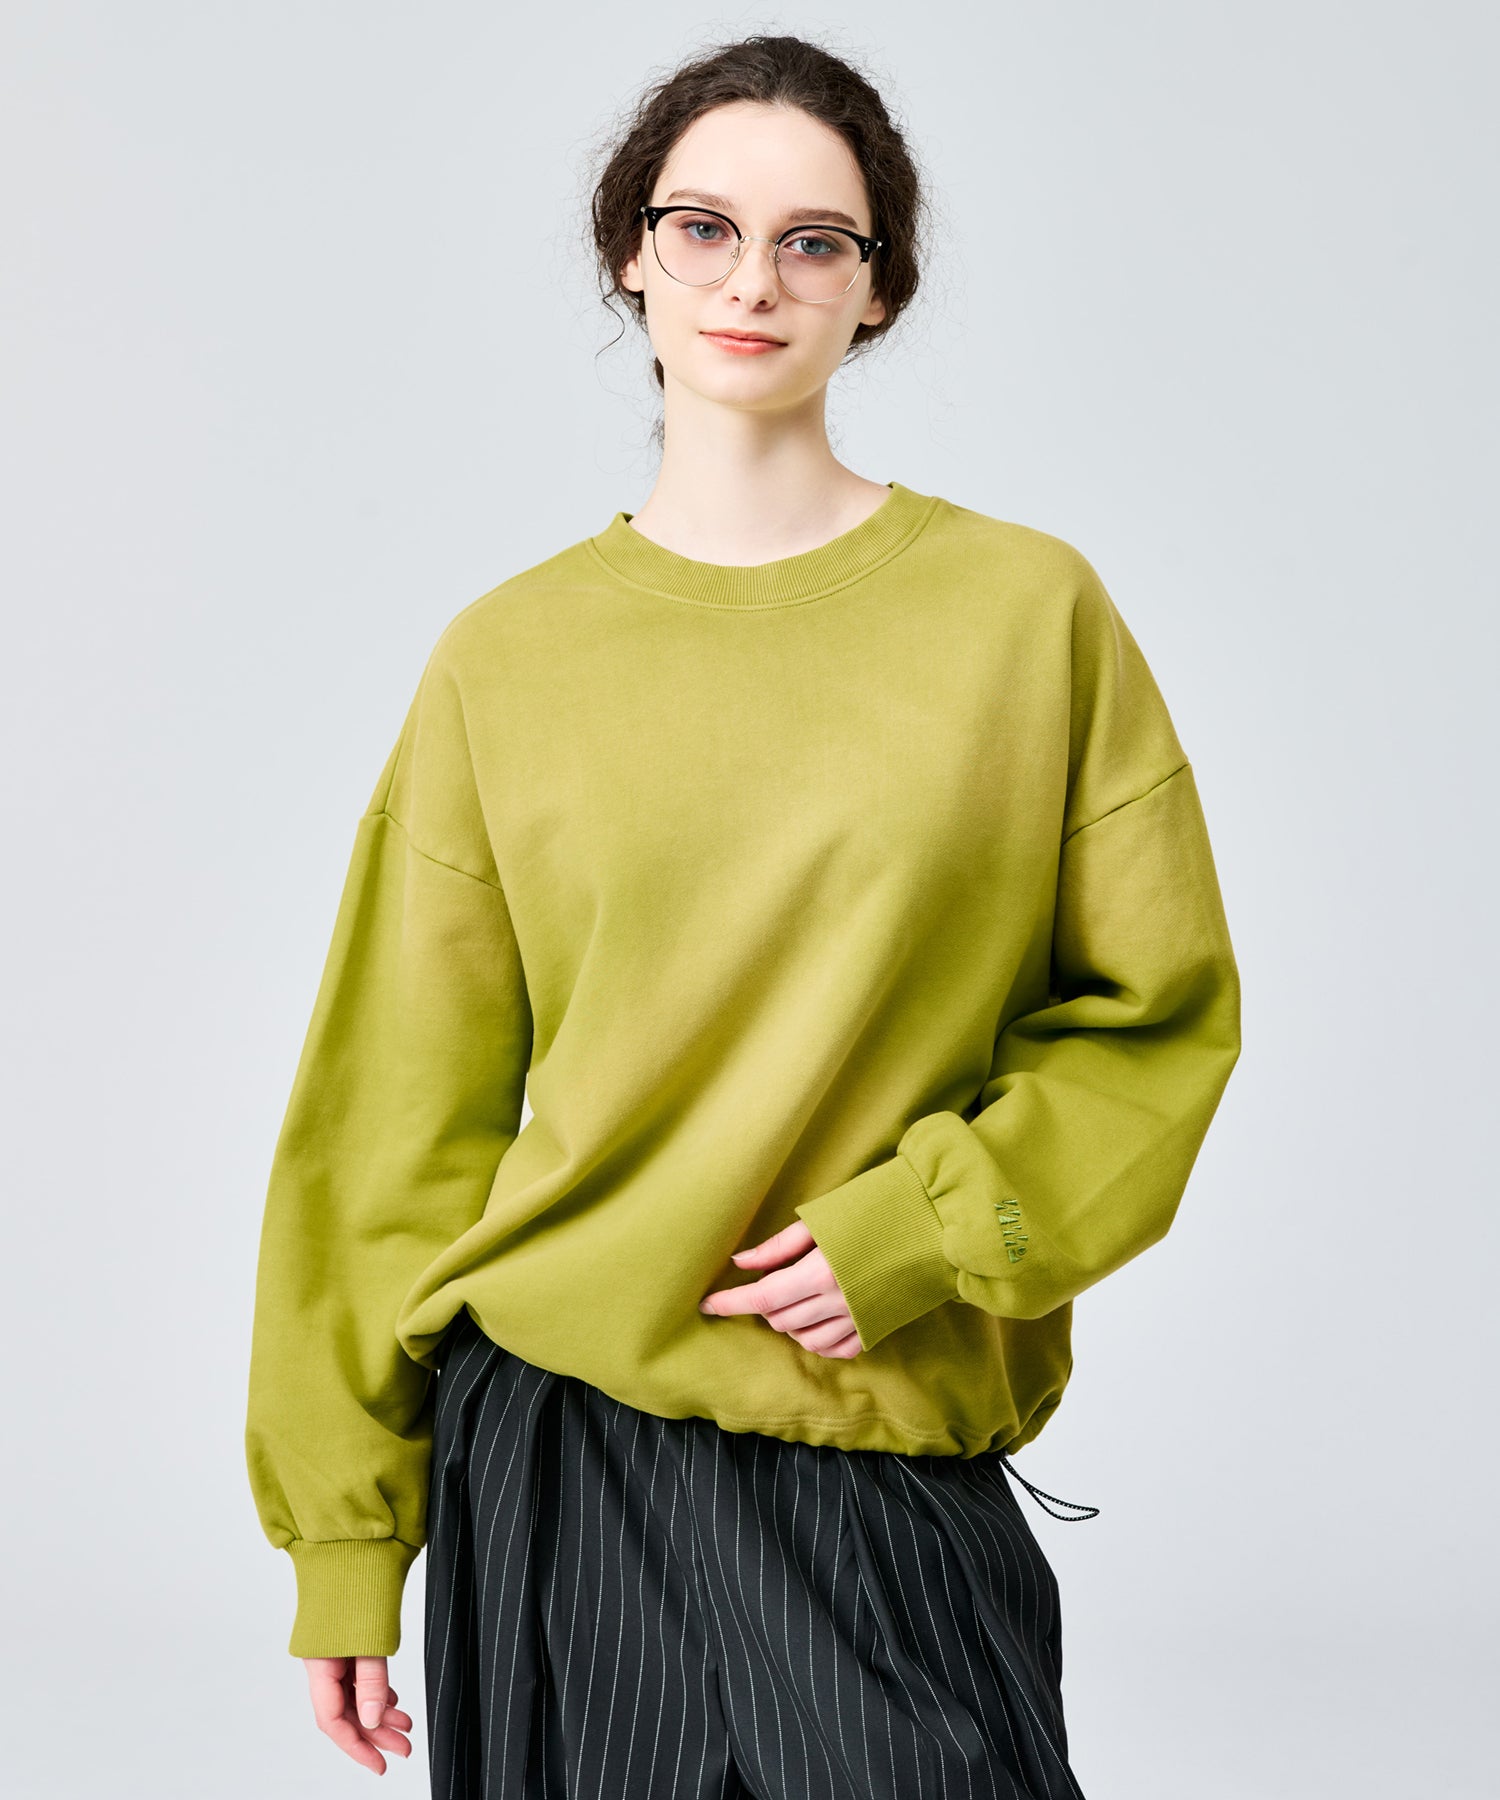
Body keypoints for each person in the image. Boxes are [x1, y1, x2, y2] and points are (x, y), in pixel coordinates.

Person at [244, 30, 1241, 1799]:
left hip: (878, 1430)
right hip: (559, 1449)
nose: (751, 281)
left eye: (813, 240)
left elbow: (1158, 1022)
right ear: (629, 255)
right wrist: (347, 1533)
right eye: (700, 226)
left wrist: (930, 1228)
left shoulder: (1027, 617)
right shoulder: (508, 656)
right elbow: (392, 1117)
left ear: (879, 287)